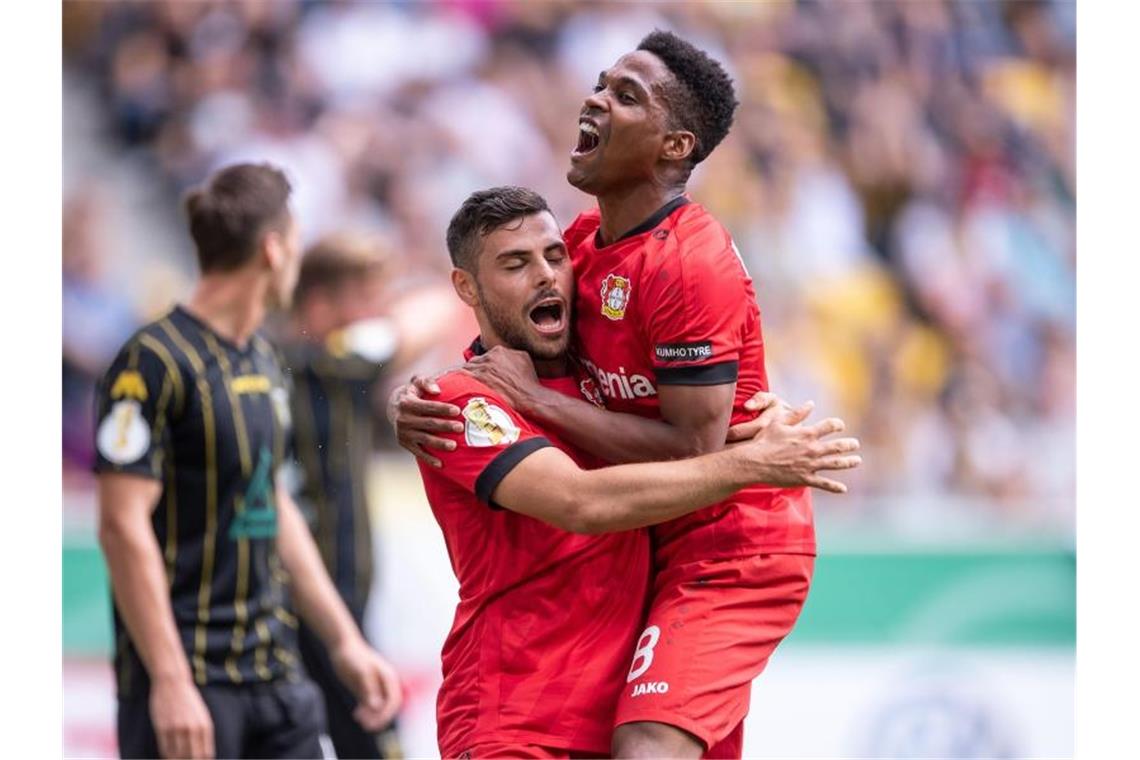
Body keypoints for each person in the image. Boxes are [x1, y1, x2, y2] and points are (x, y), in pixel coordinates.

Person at [395, 31, 824, 758]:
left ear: (674, 146)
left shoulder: (691, 263)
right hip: (633, 571)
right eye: (602, 84)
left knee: (649, 746)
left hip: (729, 542)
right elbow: (507, 355)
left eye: (627, 96)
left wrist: (758, 457)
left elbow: (695, 445)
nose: (596, 98)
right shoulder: (585, 245)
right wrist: (422, 392)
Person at [94, 162, 402, 760]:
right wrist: (171, 681)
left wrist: (344, 642)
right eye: (295, 241)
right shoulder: (150, 360)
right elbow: (121, 525)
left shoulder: (263, 359)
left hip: (274, 672)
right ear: (273, 248)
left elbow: (273, 500)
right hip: (190, 684)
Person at [283, 232, 458, 759]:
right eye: (368, 299)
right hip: (322, 603)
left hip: (301, 604)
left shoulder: (274, 363)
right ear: (319, 305)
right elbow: (434, 309)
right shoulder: (332, 364)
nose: (380, 312)